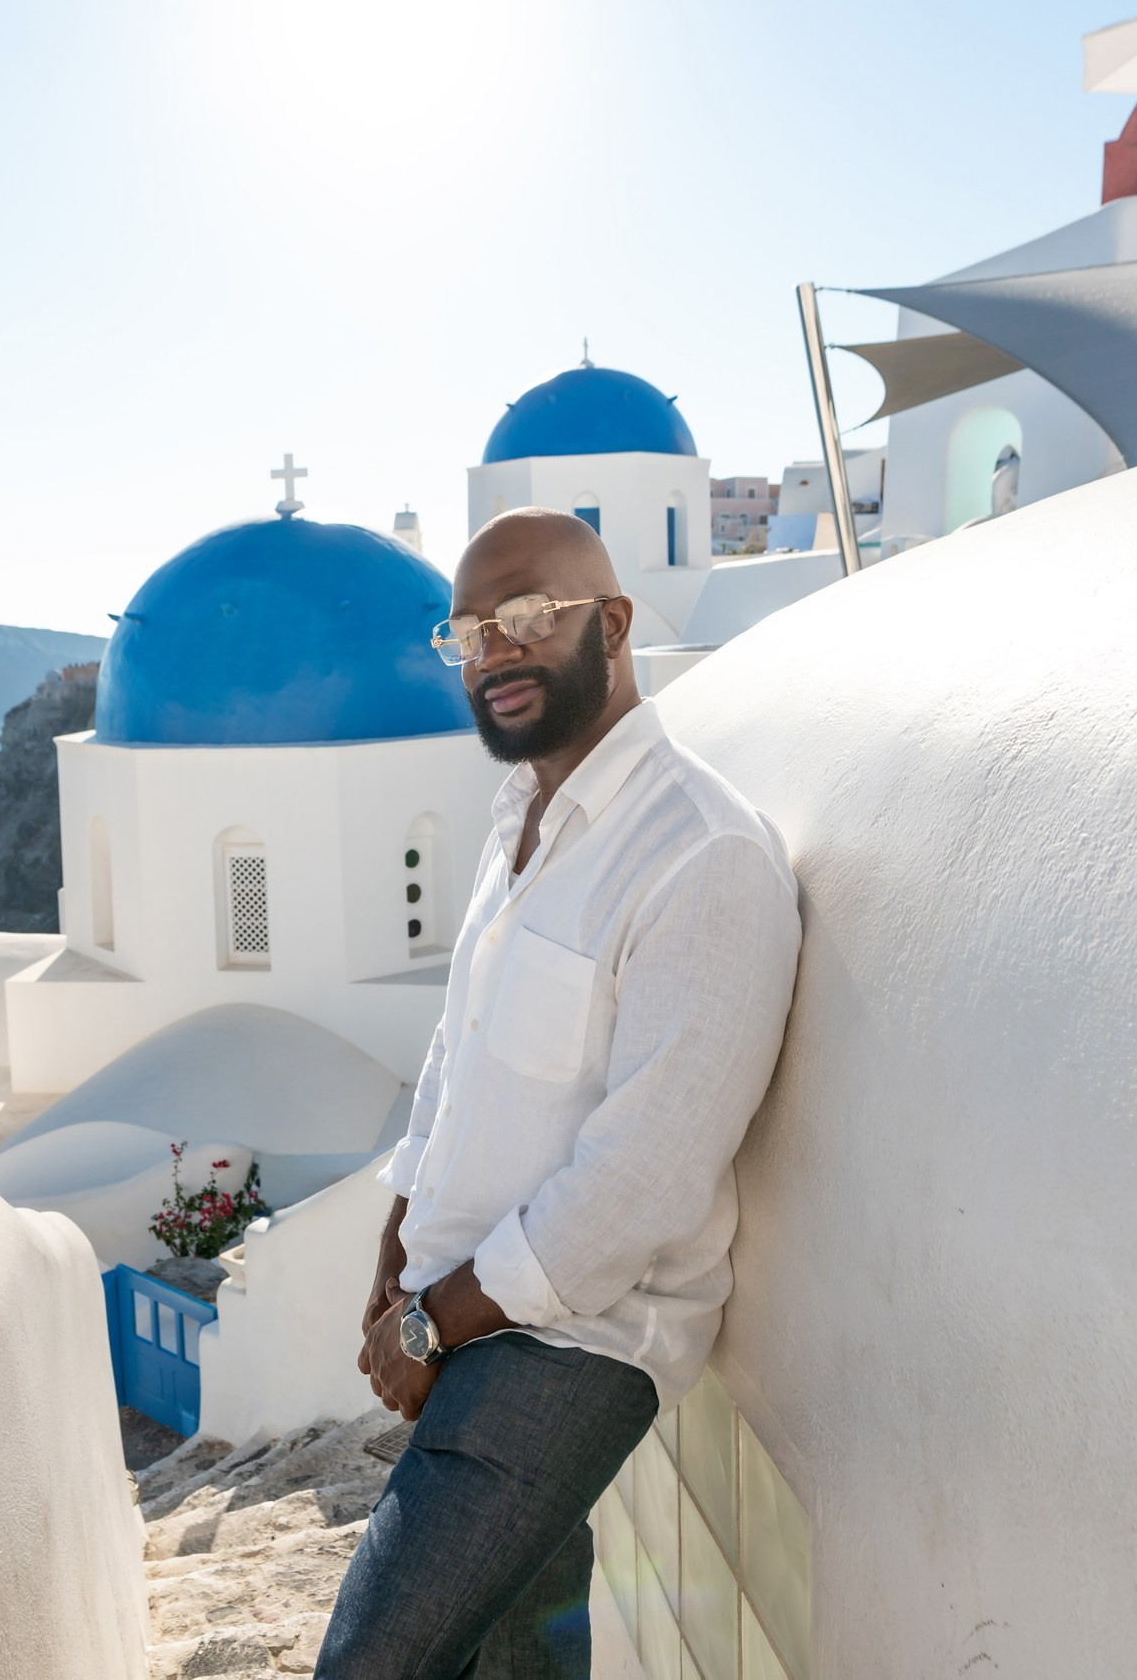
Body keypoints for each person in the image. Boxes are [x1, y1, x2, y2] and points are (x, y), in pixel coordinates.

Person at [318, 508, 802, 1678]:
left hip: (571, 1338)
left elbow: (642, 1181)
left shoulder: (701, 857)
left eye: (528, 615)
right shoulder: (519, 821)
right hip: (468, 1296)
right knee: (512, 1664)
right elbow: (461, 1050)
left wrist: (435, 1320)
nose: (495, 649)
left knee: (375, 1661)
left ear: (614, 624)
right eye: (471, 629)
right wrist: (399, 1238)